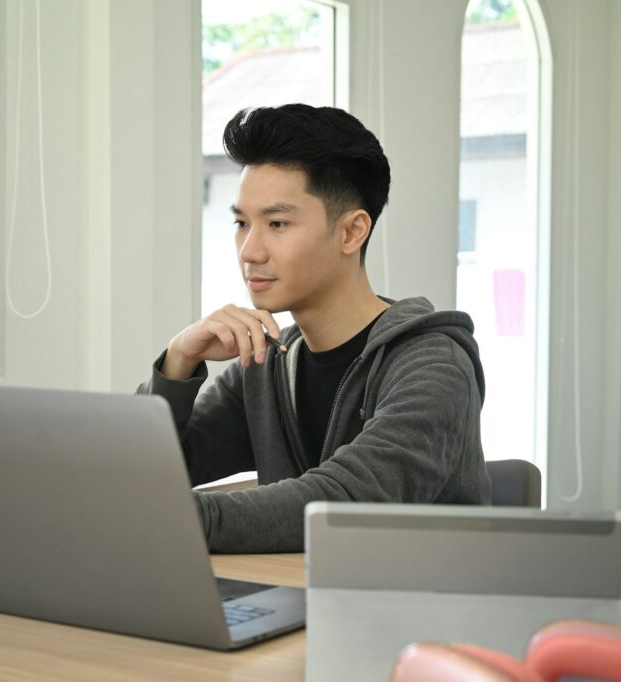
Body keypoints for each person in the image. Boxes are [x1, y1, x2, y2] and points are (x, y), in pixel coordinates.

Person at [138, 104, 491, 553]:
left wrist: (172, 519)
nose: (249, 250)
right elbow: (140, 473)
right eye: (241, 223)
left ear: (351, 232)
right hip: (305, 601)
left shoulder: (434, 365)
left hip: (426, 614)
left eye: (277, 224)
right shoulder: (269, 362)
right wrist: (177, 363)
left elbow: (347, 501)